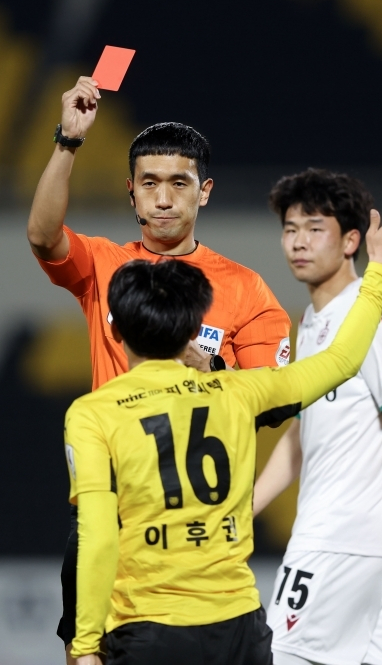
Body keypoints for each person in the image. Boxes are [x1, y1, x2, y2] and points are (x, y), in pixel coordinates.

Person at [66, 194, 382, 665]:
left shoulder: (93, 414)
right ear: (191, 332)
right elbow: (342, 360)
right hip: (238, 629)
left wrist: (85, 644)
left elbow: (97, 536)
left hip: (149, 629)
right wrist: (379, 271)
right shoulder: (238, 391)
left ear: (116, 332)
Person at [27, 76, 292, 660]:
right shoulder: (105, 266)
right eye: (149, 183)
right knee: (87, 652)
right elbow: (43, 237)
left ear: (205, 192)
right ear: (131, 193)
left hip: (195, 521)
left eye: (179, 183)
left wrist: (209, 366)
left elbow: (275, 402)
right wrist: (68, 141)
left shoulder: (246, 290)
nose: (164, 198)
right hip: (109, 510)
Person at [253, 170, 382, 665]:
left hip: (338, 538)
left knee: (280, 656)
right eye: (290, 229)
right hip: (361, 545)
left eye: (315, 229)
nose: (299, 242)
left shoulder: (374, 317)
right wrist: (246, 508)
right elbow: (302, 433)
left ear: (351, 241)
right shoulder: (310, 323)